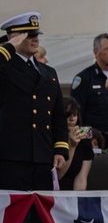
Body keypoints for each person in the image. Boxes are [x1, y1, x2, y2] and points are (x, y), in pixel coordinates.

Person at [0, 12, 69, 192]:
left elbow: (58, 115)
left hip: (42, 155)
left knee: (39, 213)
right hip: (12, 156)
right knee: (15, 214)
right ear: (14, 38)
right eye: (29, 35)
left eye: (37, 34)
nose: (35, 39)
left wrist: (60, 149)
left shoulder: (48, 72)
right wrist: (7, 48)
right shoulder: (5, 66)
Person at [71, 32, 108, 145]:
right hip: (95, 144)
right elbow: (77, 116)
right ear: (95, 52)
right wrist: (88, 141)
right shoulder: (84, 79)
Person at [57, 97, 93, 191]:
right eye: (68, 115)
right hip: (55, 191)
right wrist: (72, 146)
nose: (72, 119)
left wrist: (78, 200)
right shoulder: (53, 137)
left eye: (75, 114)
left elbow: (81, 178)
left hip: (74, 192)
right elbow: (59, 175)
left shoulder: (84, 138)